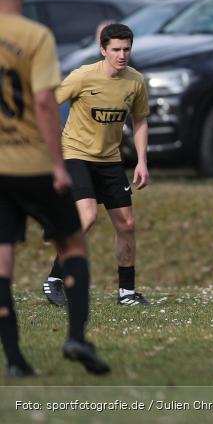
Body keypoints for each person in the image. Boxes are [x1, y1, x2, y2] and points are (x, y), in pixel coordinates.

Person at [0, 0, 109, 375]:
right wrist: (58, 163)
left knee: (3, 263)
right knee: (73, 244)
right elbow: (45, 101)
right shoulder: (36, 36)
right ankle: (76, 337)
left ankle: (14, 361)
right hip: (32, 164)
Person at [42, 22, 151, 306]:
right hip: (75, 153)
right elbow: (48, 104)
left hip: (110, 159)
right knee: (88, 216)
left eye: (126, 49)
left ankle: (127, 293)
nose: (121, 55)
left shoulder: (135, 81)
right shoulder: (82, 76)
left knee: (127, 224)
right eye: (115, 49)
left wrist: (142, 161)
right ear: (103, 49)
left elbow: (140, 120)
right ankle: (55, 278)